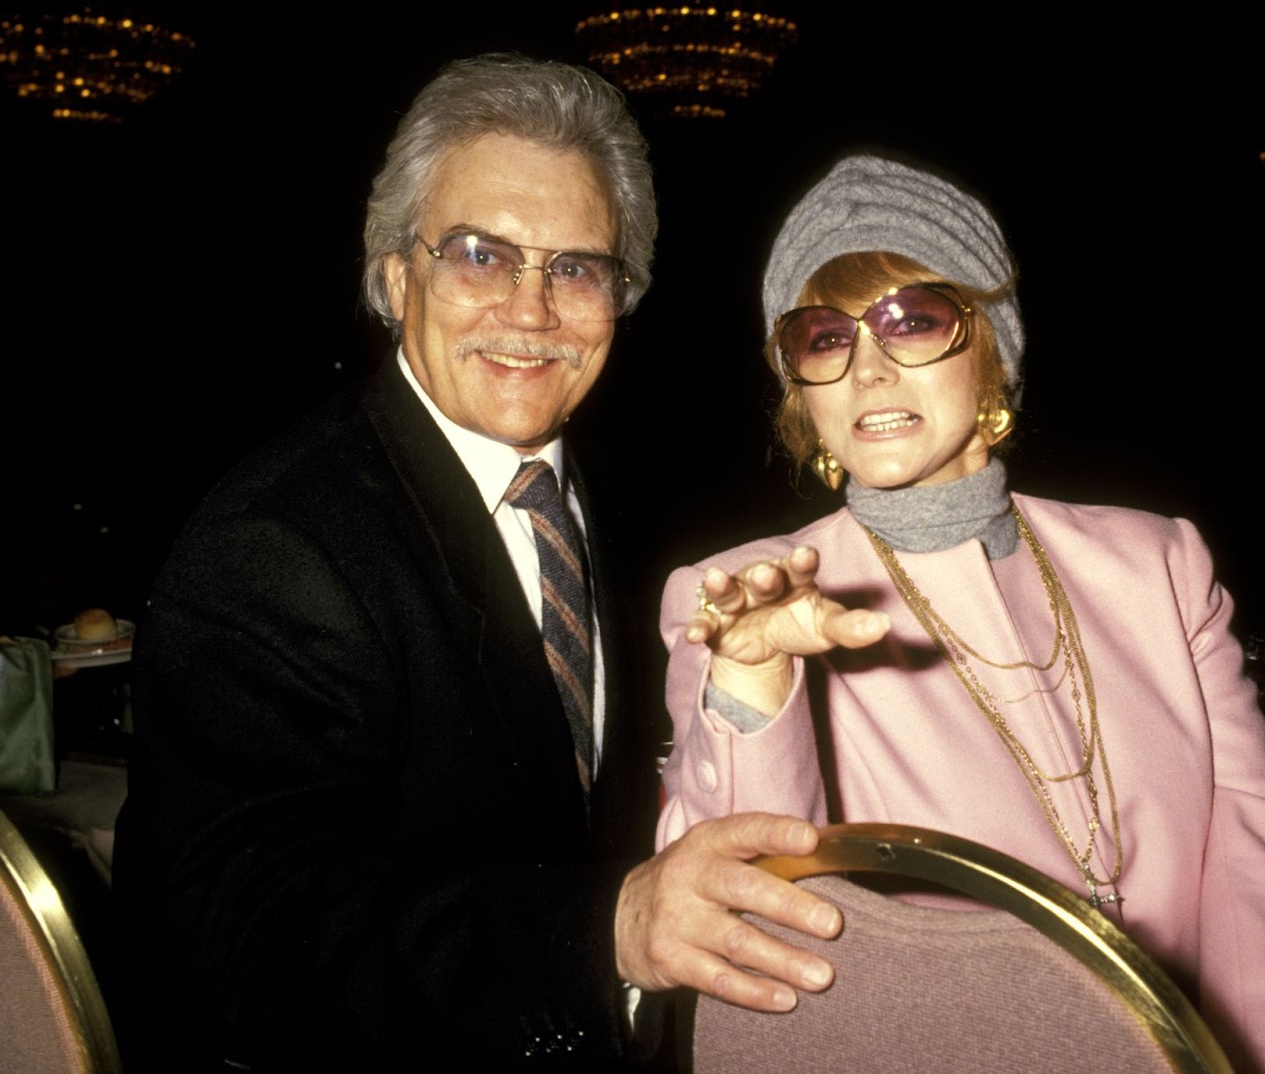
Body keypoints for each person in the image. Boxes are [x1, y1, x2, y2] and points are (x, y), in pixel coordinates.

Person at [114, 55, 840, 1069]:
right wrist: (610, 927)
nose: (532, 311)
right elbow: (242, 940)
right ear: (395, 271)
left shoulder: (613, 509)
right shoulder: (277, 545)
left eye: (575, 267)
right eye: (478, 256)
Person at [656, 154, 1265, 1073]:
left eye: (912, 320)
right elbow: (753, 927)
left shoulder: (1158, 563)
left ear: (991, 348)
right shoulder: (737, 598)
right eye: (824, 338)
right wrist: (756, 686)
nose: (868, 367)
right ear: (800, 385)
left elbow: (1262, 859)